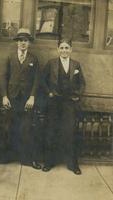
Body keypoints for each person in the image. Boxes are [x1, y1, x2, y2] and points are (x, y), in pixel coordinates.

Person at [0, 28, 41, 169]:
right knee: (5, 128)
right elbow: (3, 77)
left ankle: (29, 160)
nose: (23, 43)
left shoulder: (33, 59)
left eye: (26, 41)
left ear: (29, 43)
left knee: (27, 129)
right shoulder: (10, 57)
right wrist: (4, 96)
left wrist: (32, 97)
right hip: (11, 98)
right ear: (17, 42)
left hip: (26, 100)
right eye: (21, 40)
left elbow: (36, 80)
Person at [42, 38, 85, 174]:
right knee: (51, 131)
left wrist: (77, 95)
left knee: (70, 133)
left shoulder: (76, 65)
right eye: (62, 48)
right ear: (58, 49)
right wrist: (48, 92)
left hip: (69, 103)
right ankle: (49, 162)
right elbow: (42, 81)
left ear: (71, 50)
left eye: (67, 48)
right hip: (54, 102)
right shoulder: (51, 63)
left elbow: (82, 83)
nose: (64, 50)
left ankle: (73, 164)